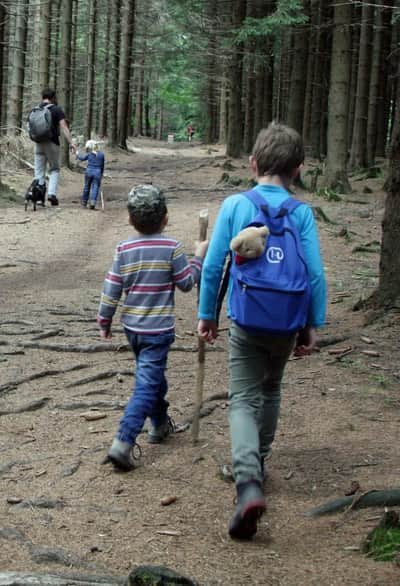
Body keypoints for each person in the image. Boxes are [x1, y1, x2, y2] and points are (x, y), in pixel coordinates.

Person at [197, 122, 327, 540]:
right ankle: (261, 460)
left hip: (247, 320)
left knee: (243, 398)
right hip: (287, 322)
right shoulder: (301, 212)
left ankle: (248, 480)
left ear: (252, 164)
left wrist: (207, 315)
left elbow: (216, 265)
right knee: (271, 390)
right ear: (298, 169)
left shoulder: (236, 205)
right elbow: (315, 275)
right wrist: (312, 324)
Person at [98, 184, 208, 471]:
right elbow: (186, 283)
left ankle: (159, 425)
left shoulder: (124, 249)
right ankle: (123, 441)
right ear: (166, 218)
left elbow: (112, 288)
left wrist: (104, 320)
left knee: (153, 380)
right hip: (157, 332)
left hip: (132, 330)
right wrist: (199, 257)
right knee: (147, 384)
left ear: (130, 219)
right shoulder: (172, 248)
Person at [31, 88, 77, 206]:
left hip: (38, 143)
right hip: (52, 143)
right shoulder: (56, 109)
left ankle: (39, 198)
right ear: (53, 98)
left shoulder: (35, 110)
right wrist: (71, 142)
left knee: (39, 171)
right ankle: (51, 194)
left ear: (43, 97)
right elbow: (64, 127)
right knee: (54, 169)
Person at [75, 140, 106, 209]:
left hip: (88, 171)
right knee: (95, 187)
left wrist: (77, 154)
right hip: (97, 172)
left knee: (86, 186)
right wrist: (101, 174)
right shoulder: (101, 155)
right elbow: (102, 165)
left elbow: (82, 158)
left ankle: (84, 202)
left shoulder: (89, 154)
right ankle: (92, 203)